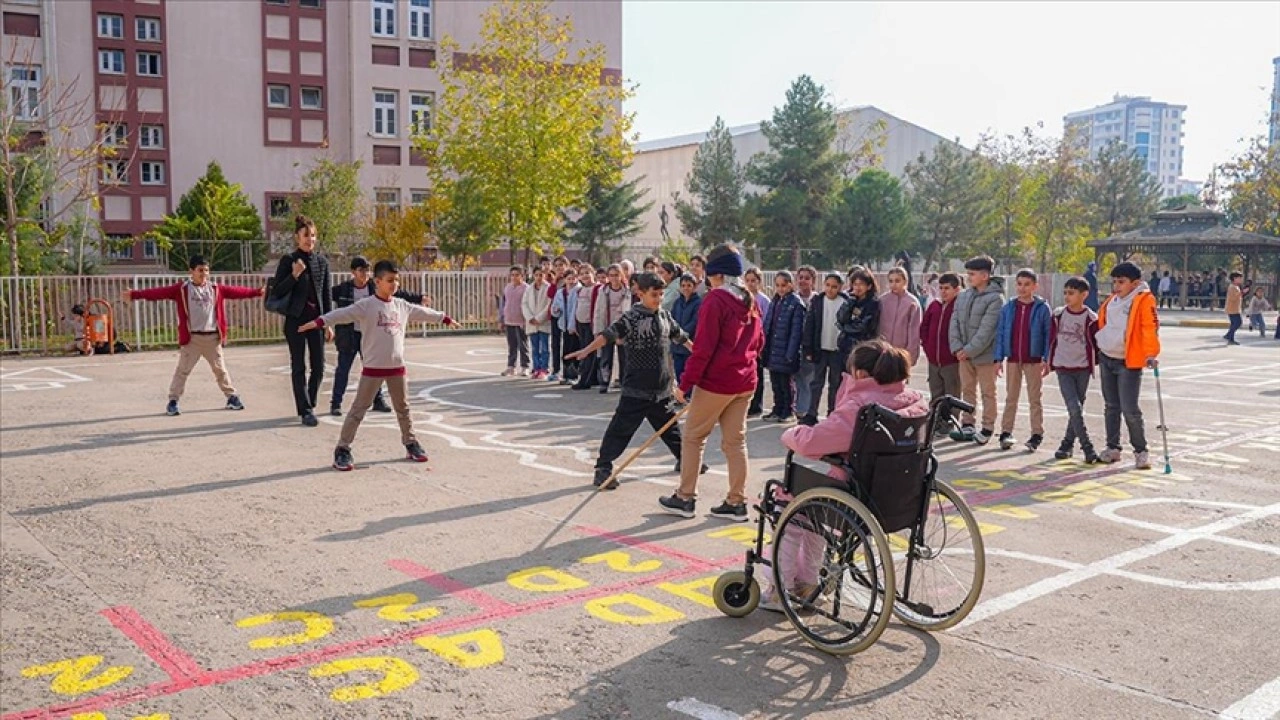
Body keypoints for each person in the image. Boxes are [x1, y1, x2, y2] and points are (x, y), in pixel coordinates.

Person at [765, 340, 928, 611]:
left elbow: (813, 443)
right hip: (901, 496)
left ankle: (781, 587)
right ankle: (807, 582)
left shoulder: (862, 407)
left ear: (860, 374)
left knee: (791, 507)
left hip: (856, 493)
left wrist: (792, 433)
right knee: (815, 510)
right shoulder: (916, 401)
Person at [298, 261, 455, 470]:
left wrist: (444, 318)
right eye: (390, 280)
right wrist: (319, 322)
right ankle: (342, 449)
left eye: (396, 280)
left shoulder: (401, 305)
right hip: (373, 369)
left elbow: (423, 312)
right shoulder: (367, 305)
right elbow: (341, 314)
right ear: (377, 281)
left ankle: (411, 443)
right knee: (358, 410)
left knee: (403, 408)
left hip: (397, 368)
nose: (394, 284)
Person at [659, 243, 763, 522]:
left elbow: (703, 349)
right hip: (745, 380)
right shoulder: (749, 299)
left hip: (717, 381)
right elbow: (759, 342)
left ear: (716, 274)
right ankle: (736, 501)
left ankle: (685, 497)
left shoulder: (715, 300)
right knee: (735, 442)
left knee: (693, 437)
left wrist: (685, 385)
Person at [567, 273, 693, 490]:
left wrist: (700, 355)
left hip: (661, 387)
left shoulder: (665, 316)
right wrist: (587, 350)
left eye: (661, 294)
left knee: (670, 428)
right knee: (620, 429)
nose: (659, 299)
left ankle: (685, 461)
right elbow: (608, 335)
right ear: (640, 293)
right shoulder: (631, 318)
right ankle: (603, 468)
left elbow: (681, 337)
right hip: (637, 387)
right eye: (654, 295)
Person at [125, 254, 264, 415]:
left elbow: (237, 292)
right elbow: (158, 292)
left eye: (206, 270)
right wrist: (135, 294)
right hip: (192, 339)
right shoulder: (182, 289)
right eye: (200, 270)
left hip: (212, 338)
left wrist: (257, 292)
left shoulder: (215, 289)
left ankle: (231, 397)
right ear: (191, 271)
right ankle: (173, 401)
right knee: (182, 371)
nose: (204, 273)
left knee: (220, 370)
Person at [330, 256, 429, 416]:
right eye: (361, 270)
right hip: (349, 335)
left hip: (370, 335)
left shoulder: (374, 286)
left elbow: (399, 294)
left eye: (367, 270)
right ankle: (336, 403)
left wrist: (419, 298)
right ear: (353, 272)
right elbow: (325, 298)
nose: (365, 273)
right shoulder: (343, 289)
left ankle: (378, 400)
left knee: (374, 369)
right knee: (343, 368)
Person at [1095, 261, 1160, 469]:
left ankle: (1141, 451)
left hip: (1128, 361)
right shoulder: (1112, 301)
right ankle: (1113, 448)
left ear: (1135, 283)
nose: (1116, 286)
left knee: (1130, 408)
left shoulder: (1143, 300)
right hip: (1107, 357)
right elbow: (1103, 324)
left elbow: (1149, 327)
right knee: (1111, 406)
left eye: (1121, 282)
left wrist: (1150, 353)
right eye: (1114, 281)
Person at [269, 215, 333, 426]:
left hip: (316, 322)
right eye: (306, 235)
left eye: (313, 236)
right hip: (296, 321)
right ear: (297, 237)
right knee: (298, 367)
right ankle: (305, 410)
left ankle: (310, 402)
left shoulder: (322, 262)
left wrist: (328, 322)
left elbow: (326, 295)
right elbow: (277, 291)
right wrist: (294, 275)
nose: (310, 239)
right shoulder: (289, 260)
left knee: (319, 367)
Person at [948, 255, 1004, 446]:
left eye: (972, 274)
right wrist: (957, 347)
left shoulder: (995, 299)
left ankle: (987, 427)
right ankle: (967, 424)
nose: (968, 277)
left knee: (988, 392)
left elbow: (987, 330)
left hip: (985, 355)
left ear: (985, 276)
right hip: (963, 355)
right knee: (967, 390)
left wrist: (969, 350)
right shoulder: (963, 296)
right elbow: (954, 322)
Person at [993, 268, 1051, 452]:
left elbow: (1048, 335)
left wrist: (1047, 358)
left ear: (1035, 286)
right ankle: (1005, 432)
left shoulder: (1042, 308)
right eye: (1019, 284)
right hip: (1013, 359)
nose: (1022, 288)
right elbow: (1001, 333)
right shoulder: (1008, 308)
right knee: (1011, 397)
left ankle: (1036, 434)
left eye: (1027, 284)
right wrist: (998, 358)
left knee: (1035, 398)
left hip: (1033, 360)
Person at [1047, 276, 1099, 463]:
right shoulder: (1058, 315)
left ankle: (1067, 444)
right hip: (1063, 368)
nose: (1067, 296)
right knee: (1074, 407)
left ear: (1084, 295)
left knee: (1076, 409)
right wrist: (1047, 361)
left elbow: (1096, 343)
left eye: (1071, 293)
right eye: (1065, 293)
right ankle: (1087, 447)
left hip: (1082, 368)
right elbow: (1051, 339)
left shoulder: (1091, 318)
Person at [799, 273, 850, 426]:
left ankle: (832, 413)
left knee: (835, 383)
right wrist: (808, 349)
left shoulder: (846, 302)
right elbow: (809, 326)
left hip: (837, 351)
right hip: (819, 349)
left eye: (834, 286)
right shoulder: (817, 301)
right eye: (827, 285)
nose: (830, 289)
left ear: (840, 287)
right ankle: (811, 413)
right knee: (816, 383)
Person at [762, 270, 806, 423]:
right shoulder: (775, 301)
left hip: (786, 350)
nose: (780, 288)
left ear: (790, 285)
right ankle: (778, 409)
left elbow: (796, 332)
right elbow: (768, 325)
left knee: (786, 383)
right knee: (775, 382)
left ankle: (788, 411)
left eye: (784, 285)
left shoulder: (796, 304)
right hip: (774, 349)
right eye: (778, 285)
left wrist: (791, 353)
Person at [920, 273, 961, 434]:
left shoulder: (959, 307)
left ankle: (950, 421)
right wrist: (927, 347)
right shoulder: (934, 306)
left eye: (947, 288)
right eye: (941, 288)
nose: (943, 291)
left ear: (957, 289)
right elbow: (924, 327)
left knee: (952, 393)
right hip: (933, 360)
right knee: (936, 393)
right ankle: (936, 421)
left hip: (951, 360)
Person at [593, 264, 632, 394]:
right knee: (606, 356)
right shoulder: (603, 291)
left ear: (621, 276)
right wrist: (598, 330)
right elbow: (598, 311)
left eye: (616, 275)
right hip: (607, 327)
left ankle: (623, 381)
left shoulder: (627, 291)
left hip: (621, 328)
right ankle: (604, 381)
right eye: (611, 275)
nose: (614, 278)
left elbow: (629, 312)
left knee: (624, 357)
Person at [878, 267, 922, 365]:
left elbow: (914, 332)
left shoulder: (912, 303)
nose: (894, 284)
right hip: (882, 352)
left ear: (905, 281)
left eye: (897, 281)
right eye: (891, 281)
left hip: (902, 353)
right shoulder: (882, 301)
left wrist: (910, 355)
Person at [792, 265, 819, 421]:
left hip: (810, 347)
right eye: (800, 277)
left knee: (808, 380)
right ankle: (795, 409)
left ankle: (804, 411)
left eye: (807, 278)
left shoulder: (817, 300)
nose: (803, 281)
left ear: (813, 281)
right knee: (795, 380)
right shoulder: (792, 299)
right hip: (794, 346)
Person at [744, 267, 771, 417]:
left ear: (759, 282)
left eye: (753, 280)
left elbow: (765, 323)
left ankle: (757, 406)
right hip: (745, 343)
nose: (750, 283)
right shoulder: (742, 298)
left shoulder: (763, 300)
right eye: (747, 280)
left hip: (757, 343)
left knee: (758, 376)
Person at [836, 267, 880, 358]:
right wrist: (850, 302)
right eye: (855, 284)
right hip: (845, 346)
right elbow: (840, 319)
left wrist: (845, 328)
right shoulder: (850, 300)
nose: (857, 287)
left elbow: (863, 327)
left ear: (869, 286)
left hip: (862, 347)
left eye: (861, 284)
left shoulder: (872, 304)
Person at [571, 265, 601, 390]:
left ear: (593, 273)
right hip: (581, 323)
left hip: (591, 324)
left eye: (587, 272)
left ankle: (585, 380)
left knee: (588, 352)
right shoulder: (580, 290)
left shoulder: (597, 288)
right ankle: (591, 378)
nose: (585, 276)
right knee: (584, 350)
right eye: (582, 274)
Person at [550, 269, 583, 385]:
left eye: (573, 278)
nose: (571, 281)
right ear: (564, 279)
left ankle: (574, 375)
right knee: (566, 350)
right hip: (564, 325)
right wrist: (555, 310)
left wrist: (573, 325)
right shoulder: (560, 292)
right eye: (569, 279)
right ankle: (566, 374)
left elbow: (576, 309)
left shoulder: (579, 290)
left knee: (575, 349)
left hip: (575, 326)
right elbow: (554, 307)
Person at [522, 268, 554, 379]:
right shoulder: (529, 289)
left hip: (543, 322)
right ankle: (536, 368)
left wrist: (539, 318)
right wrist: (530, 317)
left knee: (544, 348)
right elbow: (524, 304)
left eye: (541, 275)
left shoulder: (548, 287)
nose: (539, 277)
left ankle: (544, 368)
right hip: (531, 323)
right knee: (535, 348)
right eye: (536, 275)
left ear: (544, 276)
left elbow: (549, 305)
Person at [499, 266, 530, 377]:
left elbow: (529, 304)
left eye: (517, 275)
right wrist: (501, 318)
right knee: (512, 345)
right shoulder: (507, 288)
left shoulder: (526, 288)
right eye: (512, 275)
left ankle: (525, 366)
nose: (514, 277)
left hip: (521, 321)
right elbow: (503, 304)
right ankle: (511, 367)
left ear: (522, 276)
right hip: (509, 320)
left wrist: (527, 319)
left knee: (523, 345)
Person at [670, 274, 701, 384]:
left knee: (689, 374)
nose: (686, 288)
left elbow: (695, 322)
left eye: (689, 285)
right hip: (676, 347)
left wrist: (681, 335)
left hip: (690, 345)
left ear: (695, 287)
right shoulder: (677, 302)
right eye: (683, 285)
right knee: (678, 373)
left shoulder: (699, 303)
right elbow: (671, 319)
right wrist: (673, 334)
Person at [547, 256, 571, 382]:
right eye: (556, 266)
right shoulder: (554, 281)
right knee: (555, 343)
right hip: (556, 314)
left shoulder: (571, 279)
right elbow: (550, 294)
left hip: (568, 315)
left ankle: (568, 371)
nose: (559, 268)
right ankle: (555, 370)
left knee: (568, 343)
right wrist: (554, 281)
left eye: (561, 265)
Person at [1224, 271, 1244, 346]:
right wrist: (1241, 293)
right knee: (1238, 323)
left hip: (1234, 308)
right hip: (1232, 309)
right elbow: (1233, 298)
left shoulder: (1235, 287)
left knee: (1234, 324)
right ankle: (1229, 336)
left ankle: (1230, 338)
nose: (1241, 279)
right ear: (1234, 278)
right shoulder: (1232, 287)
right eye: (1239, 278)